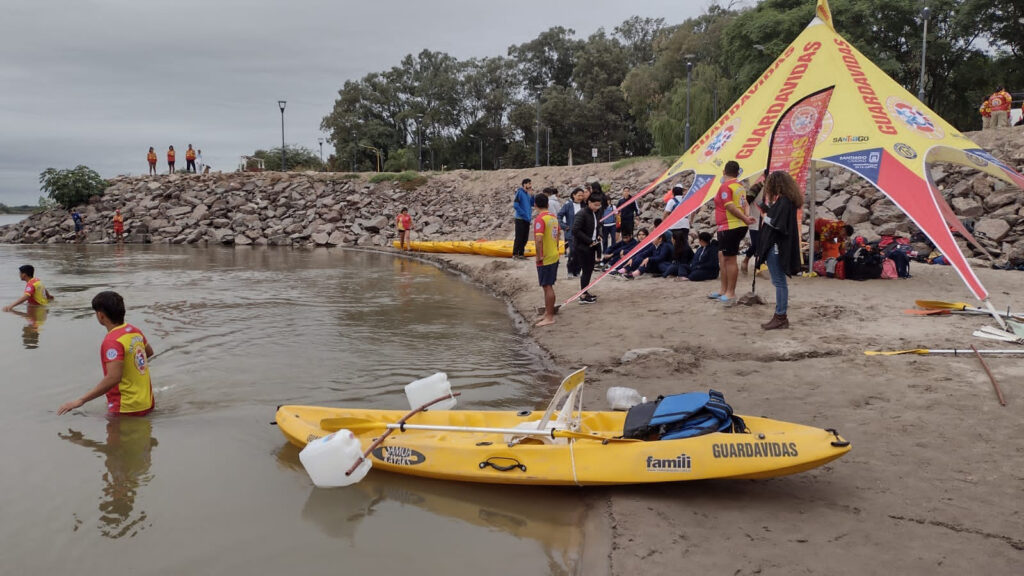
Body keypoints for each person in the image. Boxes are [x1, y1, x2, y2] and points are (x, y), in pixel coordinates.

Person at [58, 291, 156, 416]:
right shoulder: (134, 331)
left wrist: (81, 400)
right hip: (147, 401)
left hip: (126, 407)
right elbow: (148, 352)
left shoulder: (112, 341)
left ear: (101, 315)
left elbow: (113, 378)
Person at [755, 171, 804, 330]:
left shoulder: (784, 202)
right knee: (779, 282)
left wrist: (764, 215)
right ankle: (780, 315)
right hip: (779, 246)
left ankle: (780, 316)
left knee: (779, 283)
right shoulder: (788, 201)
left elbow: (777, 224)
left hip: (776, 247)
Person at [710, 161, 754, 306]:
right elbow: (745, 203)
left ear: (724, 172)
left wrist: (745, 218)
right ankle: (723, 289)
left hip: (730, 226)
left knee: (730, 258)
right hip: (731, 226)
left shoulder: (726, 186)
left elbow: (730, 206)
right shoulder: (740, 186)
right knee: (722, 256)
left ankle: (730, 292)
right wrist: (746, 216)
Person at [532, 193, 560, 326]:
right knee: (548, 285)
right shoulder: (553, 218)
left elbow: (538, 239)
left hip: (546, 257)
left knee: (547, 286)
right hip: (554, 254)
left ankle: (549, 317)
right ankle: (547, 312)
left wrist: (539, 255)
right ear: (548, 205)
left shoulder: (540, 219)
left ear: (535, 205)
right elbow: (558, 234)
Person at [572, 192, 603, 304]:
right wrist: (589, 241)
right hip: (583, 247)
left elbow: (598, 226)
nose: (597, 207)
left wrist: (599, 235)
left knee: (589, 270)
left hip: (592, 245)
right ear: (589, 202)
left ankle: (585, 291)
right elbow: (575, 230)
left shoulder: (597, 212)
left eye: (599, 205)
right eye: (595, 205)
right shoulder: (582, 213)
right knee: (586, 270)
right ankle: (583, 295)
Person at [558, 187, 584, 277]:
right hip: (571, 233)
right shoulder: (568, 205)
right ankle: (570, 270)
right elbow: (559, 216)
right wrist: (564, 226)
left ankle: (577, 271)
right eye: (579, 195)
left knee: (580, 252)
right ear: (573, 195)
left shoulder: (584, 206)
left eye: (582, 195)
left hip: (582, 233)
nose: (580, 197)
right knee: (573, 251)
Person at [664, 183, 692, 266]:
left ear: (673, 193)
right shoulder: (687, 200)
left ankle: (677, 261)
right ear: (682, 192)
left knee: (676, 244)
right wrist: (691, 220)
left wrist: (663, 222)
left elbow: (666, 212)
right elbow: (693, 211)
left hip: (675, 225)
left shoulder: (672, 201)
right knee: (685, 242)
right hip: (685, 224)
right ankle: (687, 261)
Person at [512, 178, 534, 259]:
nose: (530, 185)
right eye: (529, 183)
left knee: (525, 237)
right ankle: (515, 254)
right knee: (519, 237)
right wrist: (524, 214)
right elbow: (515, 205)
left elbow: (532, 204)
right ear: (524, 184)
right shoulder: (519, 192)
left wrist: (532, 195)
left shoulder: (528, 194)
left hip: (527, 219)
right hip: (520, 219)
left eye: (530, 183)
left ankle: (521, 254)